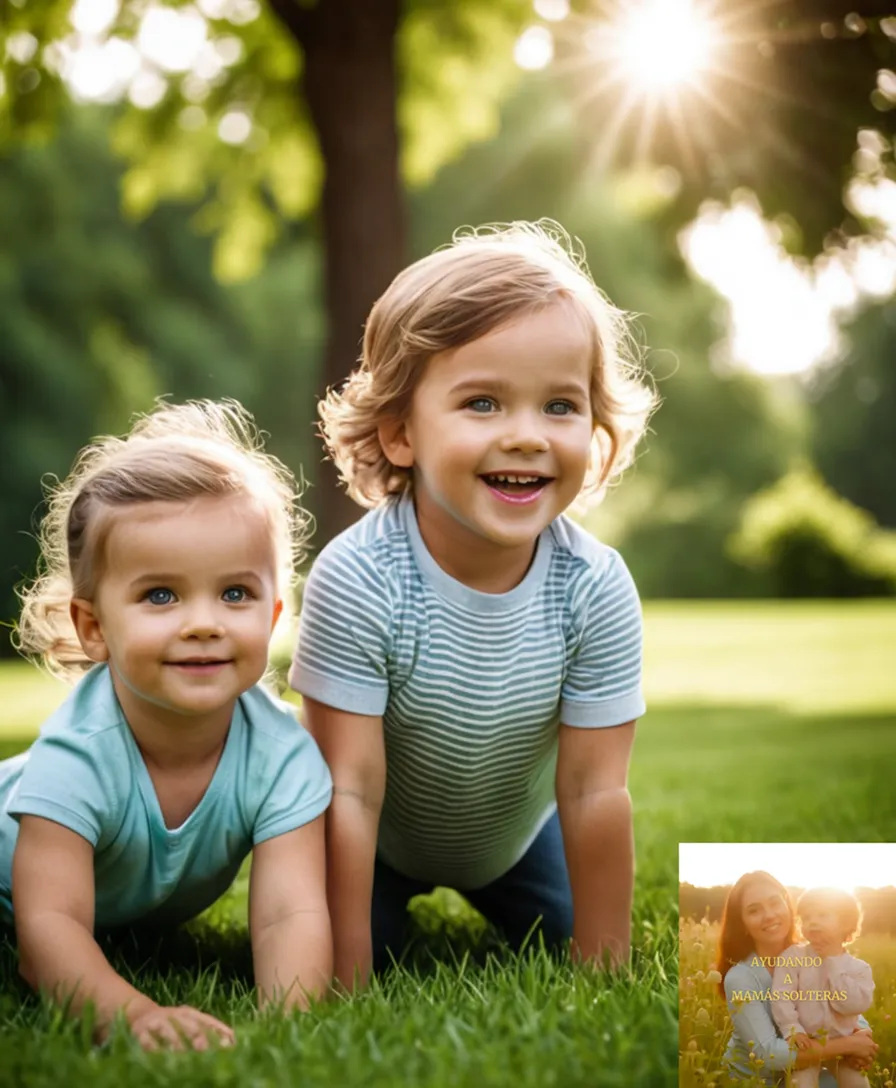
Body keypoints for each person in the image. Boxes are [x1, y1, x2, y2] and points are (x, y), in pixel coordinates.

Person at [290, 220, 657, 989]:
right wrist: (345, 975)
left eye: (559, 406)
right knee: (354, 946)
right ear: (399, 433)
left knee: (573, 938)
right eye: (483, 403)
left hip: (518, 842)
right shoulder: (359, 579)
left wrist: (607, 971)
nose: (526, 437)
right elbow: (347, 791)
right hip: (378, 846)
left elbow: (595, 790)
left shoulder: (594, 587)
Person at [1, 400, 333, 1049]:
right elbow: (52, 929)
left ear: (272, 616)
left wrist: (289, 1027)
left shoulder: (284, 754)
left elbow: (289, 914)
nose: (203, 621)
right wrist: (137, 1016)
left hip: (114, 912)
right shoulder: (78, 756)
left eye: (234, 593)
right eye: (160, 595)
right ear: (93, 627)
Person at [715, 872, 878, 1085]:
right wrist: (849, 1045)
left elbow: (842, 1006)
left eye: (775, 903)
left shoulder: (815, 953)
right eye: (754, 910)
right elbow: (767, 1054)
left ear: (788, 906)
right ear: (743, 923)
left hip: (810, 1064)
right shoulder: (741, 978)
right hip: (757, 1080)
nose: (769, 915)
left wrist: (862, 1033)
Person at [770, 887, 874, 1088]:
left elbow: (852, 1006)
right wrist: (792, 1030)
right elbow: (781, 997)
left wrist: (832, 961)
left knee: (858, 1084)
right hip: (807, 1044)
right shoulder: (792, 958)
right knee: (801, 1084)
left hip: (844, 1048)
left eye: (822, 915)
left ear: (846, 924)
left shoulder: (859, 969)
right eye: (807, 917)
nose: (813, 922)